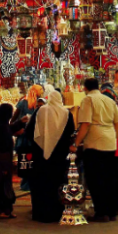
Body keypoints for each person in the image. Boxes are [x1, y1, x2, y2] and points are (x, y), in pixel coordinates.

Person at [72, 77, 118, 222]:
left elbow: (85, 124)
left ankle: (101, 212)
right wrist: (113, 135)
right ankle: (111, 211)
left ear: (85, 88)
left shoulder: (88, 100)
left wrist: (76, 143)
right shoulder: (109, 100)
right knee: (109, 178)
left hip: (95, 144)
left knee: (96, 180)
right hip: (110, 143)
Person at [27, 90, 75, 222]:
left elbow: (29, 130)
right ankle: (56, 213)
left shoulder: (40, 111)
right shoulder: (66, 114)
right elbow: (71, 132)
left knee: (40, 184)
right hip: (59, 156)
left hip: (40, 155)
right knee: (56, 183)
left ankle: (40, 214)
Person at [11, 83, 44, 192]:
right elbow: (13, 119)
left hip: (33, 136)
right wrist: (16, 130)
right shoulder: (23, 102)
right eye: (40, 89)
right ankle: (26, 183)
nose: (42, 91)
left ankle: (29, 183)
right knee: (26, 160)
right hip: (26, 137)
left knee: (31, 160)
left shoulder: (40, 103)